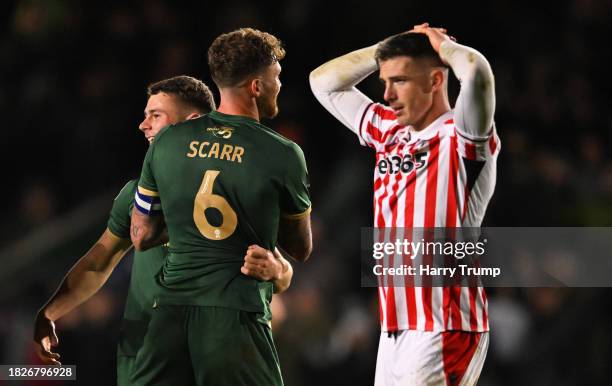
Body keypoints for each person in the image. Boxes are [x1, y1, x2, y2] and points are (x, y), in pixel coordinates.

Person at [33, 75, 294, 386]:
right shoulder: (135, 195)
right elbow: (99, 261)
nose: (143, 126)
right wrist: (49, 313)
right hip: (147, 355)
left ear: (191, 123)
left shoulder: (235, 191)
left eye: (155, 116)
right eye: (145, 115)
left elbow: (282, 273)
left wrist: (277, 270)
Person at [310, 23, 499, 385]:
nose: (388, 94)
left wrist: (442, 46)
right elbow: (323, 81)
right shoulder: (389, 131)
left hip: (444, 325)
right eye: (384, 81)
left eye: (400, 81)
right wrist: (386, 46)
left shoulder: (461, 136)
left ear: (435, 81)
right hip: (394, 329)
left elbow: (477, 73)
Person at [130, 28, 312, 386]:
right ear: (256, 87)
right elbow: (301, 247)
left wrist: (188, 232)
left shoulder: (166, 142)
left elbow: (142, 233)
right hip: (234, 317)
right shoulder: (283, 154)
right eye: (276, 77)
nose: (280, 85)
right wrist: (277, 268)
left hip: (168, 317)